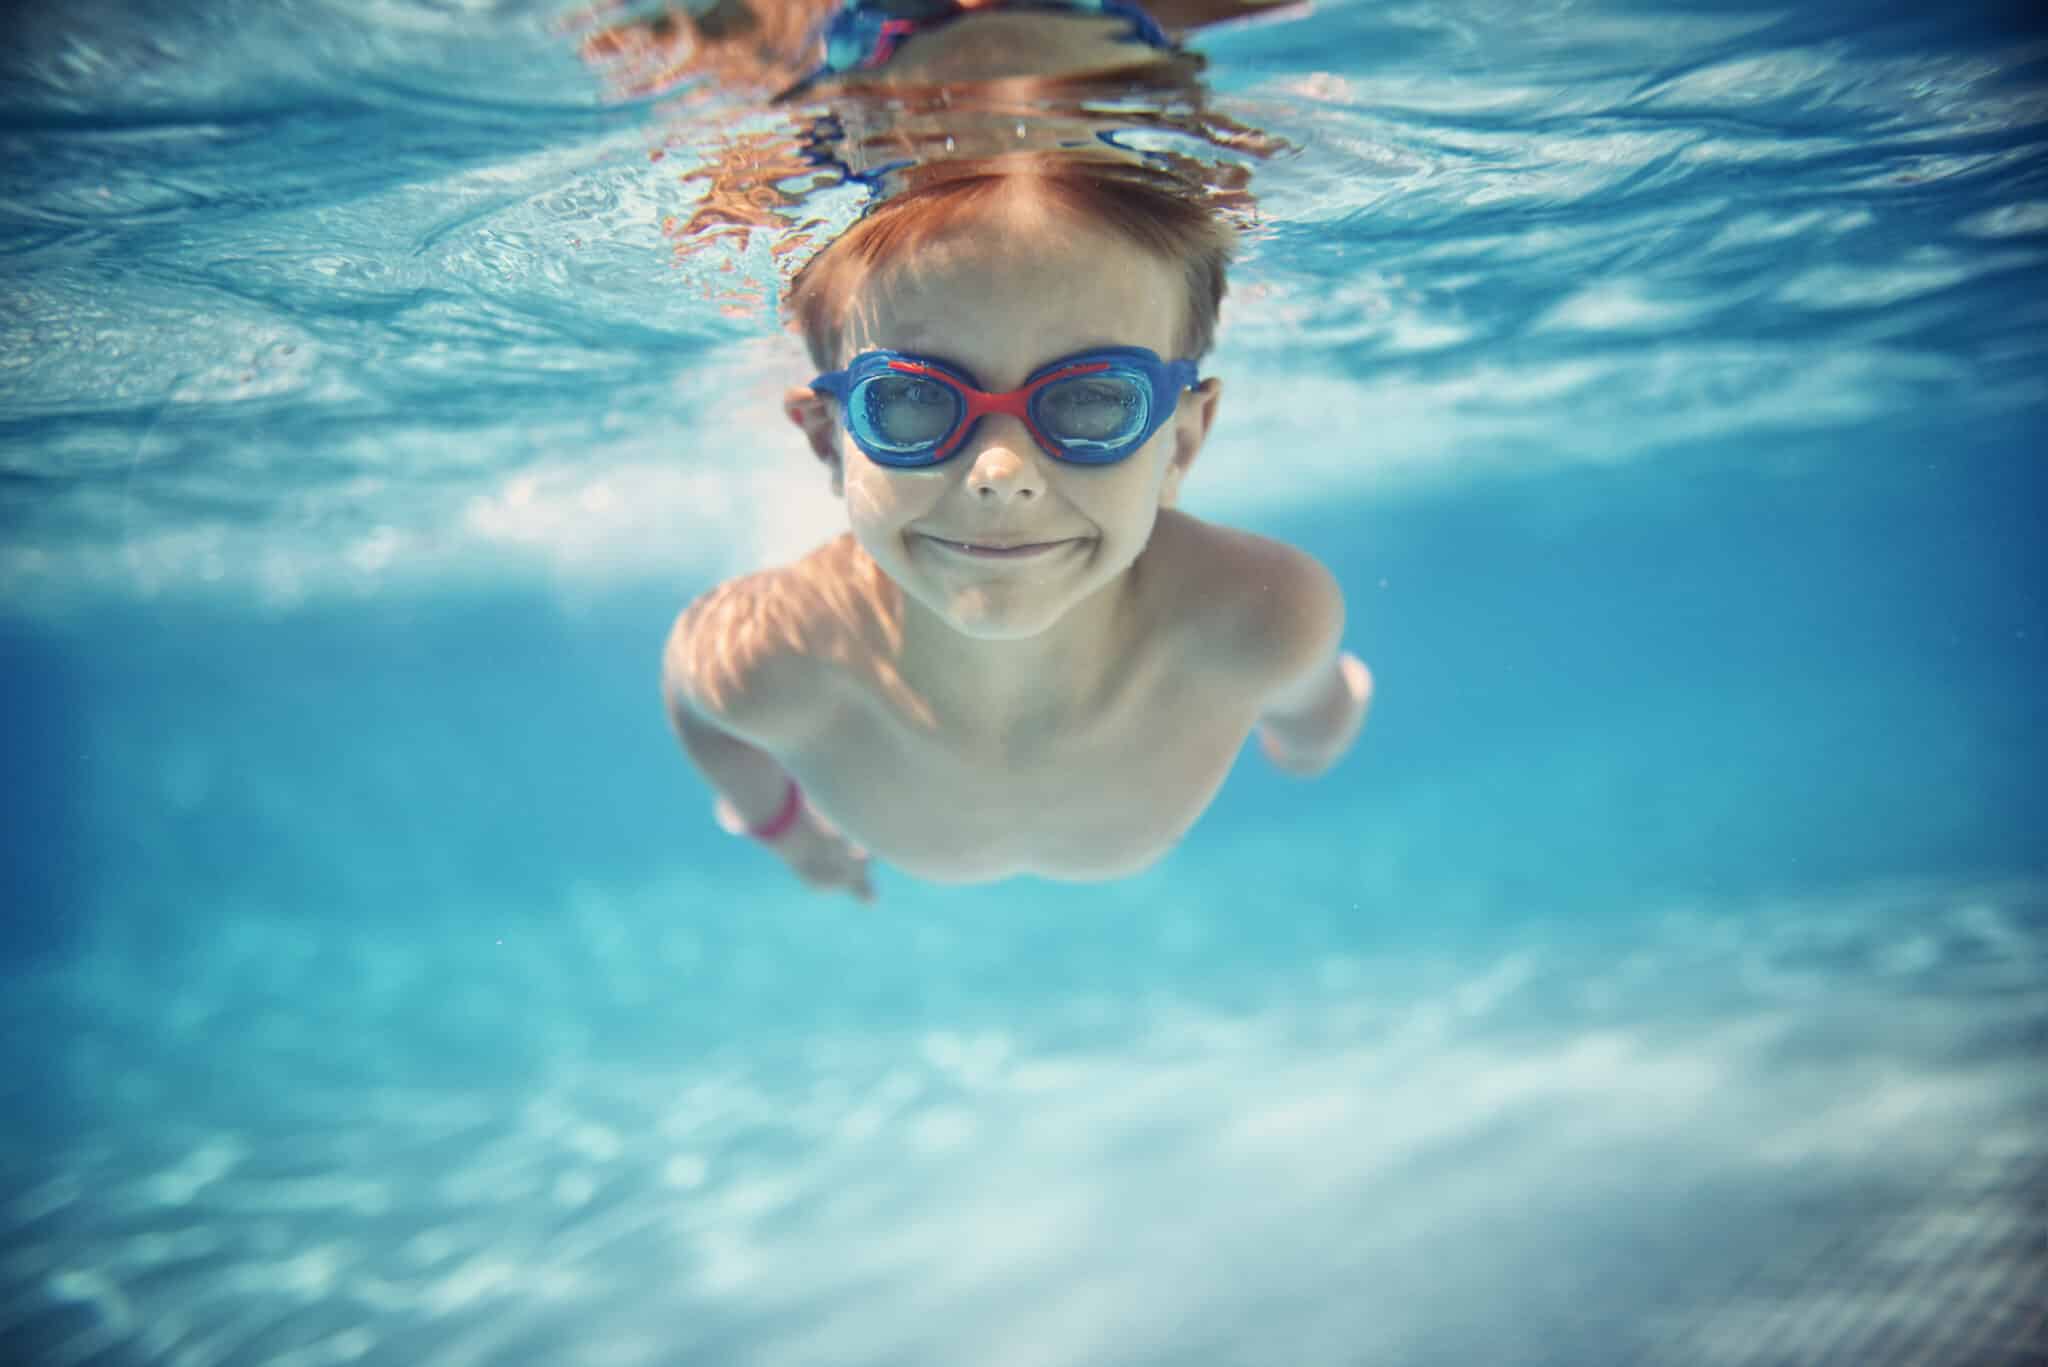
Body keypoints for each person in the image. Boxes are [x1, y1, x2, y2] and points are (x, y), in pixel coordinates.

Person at [662, 155, 1371, 897]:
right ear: (826, 439)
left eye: (1095, 399)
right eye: (910, 401)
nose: (1001, 472)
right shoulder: (765, 661)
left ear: (1182, 443)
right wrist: (789, 833)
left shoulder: (1262, 619)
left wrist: (1310, 741)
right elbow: (697, 707)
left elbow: (1315, 710)